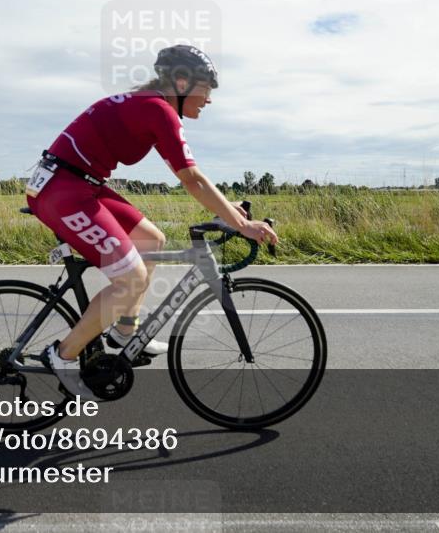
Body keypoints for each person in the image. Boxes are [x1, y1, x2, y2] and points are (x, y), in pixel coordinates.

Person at [25, 45, 278, 400]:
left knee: (150, 240)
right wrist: (240, 222)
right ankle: (63, 354)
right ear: (181, 82)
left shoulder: (149, 104)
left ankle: (124, 332)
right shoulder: (158, 109)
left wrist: (229, 212)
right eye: (206, 88)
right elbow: (192, 179)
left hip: (80, 183)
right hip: (63, 190)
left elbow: (194, 179)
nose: (209, 99)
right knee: (131, 279)